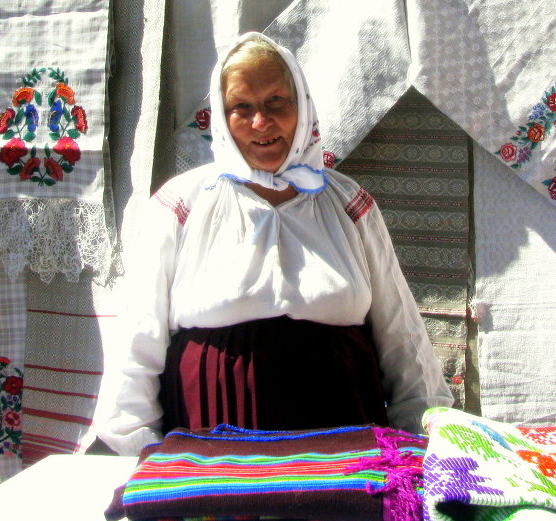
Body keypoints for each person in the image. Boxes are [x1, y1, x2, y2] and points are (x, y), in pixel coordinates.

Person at [97, 32, 453, 455]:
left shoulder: (348, 203)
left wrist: (424, 433)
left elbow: (401, 333)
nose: (260, 123)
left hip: (342, 449)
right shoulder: (182, 204)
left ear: (302, 105)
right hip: (212, 456)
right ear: (221, 117)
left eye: (275, 102)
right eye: (241, 108)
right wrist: (134, 447)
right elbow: (140, 336)